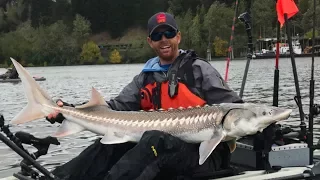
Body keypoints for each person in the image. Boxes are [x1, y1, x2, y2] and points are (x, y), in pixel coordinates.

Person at [46, 12, 243, 180]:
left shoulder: (199, 70)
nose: (164, 39)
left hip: (205, 158)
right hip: (164, 154)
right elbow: (114, 107)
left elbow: (235, 108)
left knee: (154, 141)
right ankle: (59, 177)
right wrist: (69, 110)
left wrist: (266, 127)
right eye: (157, 35)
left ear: (178, 37)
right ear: (150, 42)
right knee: (111, 142)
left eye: (169, 33)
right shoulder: (145, 78)